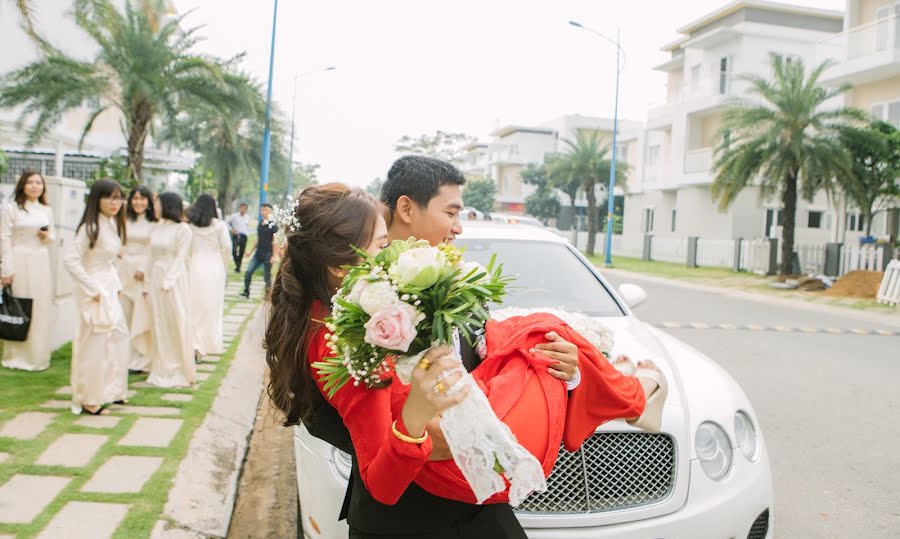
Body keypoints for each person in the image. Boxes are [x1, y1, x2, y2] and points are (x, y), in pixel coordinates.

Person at [265, 182, 663, 538]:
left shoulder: (436, 289)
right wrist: (418, 417)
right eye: (451, 212)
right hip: (405, 521)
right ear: (407, 210)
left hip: (481, 510)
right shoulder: (337, 340)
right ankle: (634, 394)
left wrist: (570, 375)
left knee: (539, 333)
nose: (458, 227)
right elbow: (374, 445)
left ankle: (631, 394)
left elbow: (493, 355)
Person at [63, 179, 130, 415]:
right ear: (97, 199)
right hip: (94, 291)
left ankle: (113, 390)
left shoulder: (112, 224)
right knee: (95, 344)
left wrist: (117, 285)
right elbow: (70, 260)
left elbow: (109, 262)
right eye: (109, 197)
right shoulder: (90, 228)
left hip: (109, 288)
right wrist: (93, 289)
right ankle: (89, 399)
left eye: (119, 197)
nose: (115, 202)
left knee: (119, 337)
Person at [0, 170, 55, 371]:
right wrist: (6, 268)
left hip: (40, 260)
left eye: (38, 183)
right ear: (23, 185)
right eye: (30, 182)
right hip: (18, 259)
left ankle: (37, 355)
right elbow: (4, 238)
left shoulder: (46, 210)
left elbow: (53, 238)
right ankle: (15, 355)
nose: (34, 186)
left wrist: (45, 237)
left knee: (39, 306)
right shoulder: (11, 208)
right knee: (18, 304)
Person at [146, 192, 196, 388]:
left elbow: (180, 257)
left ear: (167, 205)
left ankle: (177, 367)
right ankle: (161, 366)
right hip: (156, 277)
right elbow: (150, 256)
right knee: (158, 321)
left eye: (157, 204)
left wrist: (168, 281)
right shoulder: (156, 228)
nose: (154, 207)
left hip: (174, 278)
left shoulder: (183, 229)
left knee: (175, 319)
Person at [187, 194, 231, 359]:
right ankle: (205, 345)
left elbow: (187, 249)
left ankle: (194, 343)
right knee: (212, 308)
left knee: (193, 306)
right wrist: (224, 267)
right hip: (215, 267)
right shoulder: (219, 226)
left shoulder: (190, 226)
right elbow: (226, 247)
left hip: (195, 265)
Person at [119, 186, 156, 373]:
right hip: (124, 270)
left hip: (143, 273)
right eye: (135, 199)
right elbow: (119, 243)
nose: (138, 202)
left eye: (142, 199)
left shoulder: (154, 223)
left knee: (141, 316)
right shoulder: (123, 220)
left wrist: (142, 268)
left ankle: (141, 359)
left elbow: (152, 249)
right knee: (123, 314)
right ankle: (123, 358)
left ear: (149, 202)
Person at [241, 203, 277, 299]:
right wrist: (250, 251)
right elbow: (258, 239)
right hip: (258, 253)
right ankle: (246, 292)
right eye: (262, 210)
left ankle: (268, 295)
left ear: (270, 211)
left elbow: (274, 241)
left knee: (266, 276)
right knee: (248, 271)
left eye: (265, 210)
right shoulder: (260, 224)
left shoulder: (273, 225)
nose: (263, 212)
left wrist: (274, 255)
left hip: (268, 254)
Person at [226, 203, 251, 272]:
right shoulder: (234, 216)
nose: (242, 210)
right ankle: (237, 264)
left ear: (246, 210)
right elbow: (227, 222)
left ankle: (238, 267)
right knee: (234, 251)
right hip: (236, 235)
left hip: (244, 236)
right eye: (241, 208)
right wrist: (231, 229)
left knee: (241, 252)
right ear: (239, 208)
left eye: (244, 208)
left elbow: (247, 227)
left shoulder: (247, 217)